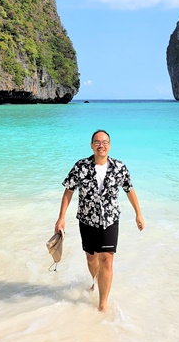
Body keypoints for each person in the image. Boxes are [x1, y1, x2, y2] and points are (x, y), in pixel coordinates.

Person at [55, 129, 144, 311]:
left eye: (105, 142)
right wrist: (61, 218)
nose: (101, 145)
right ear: (91, 145)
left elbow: (129, 189)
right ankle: (95, 281)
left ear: (109, 145)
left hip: (110, 220)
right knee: (91, 259)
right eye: (97, 142)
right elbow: (69, 191)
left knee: (107, 260)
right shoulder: (81, 166)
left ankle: (102, 304)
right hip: (87, 220)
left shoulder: (119, 167)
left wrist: (138, 214)